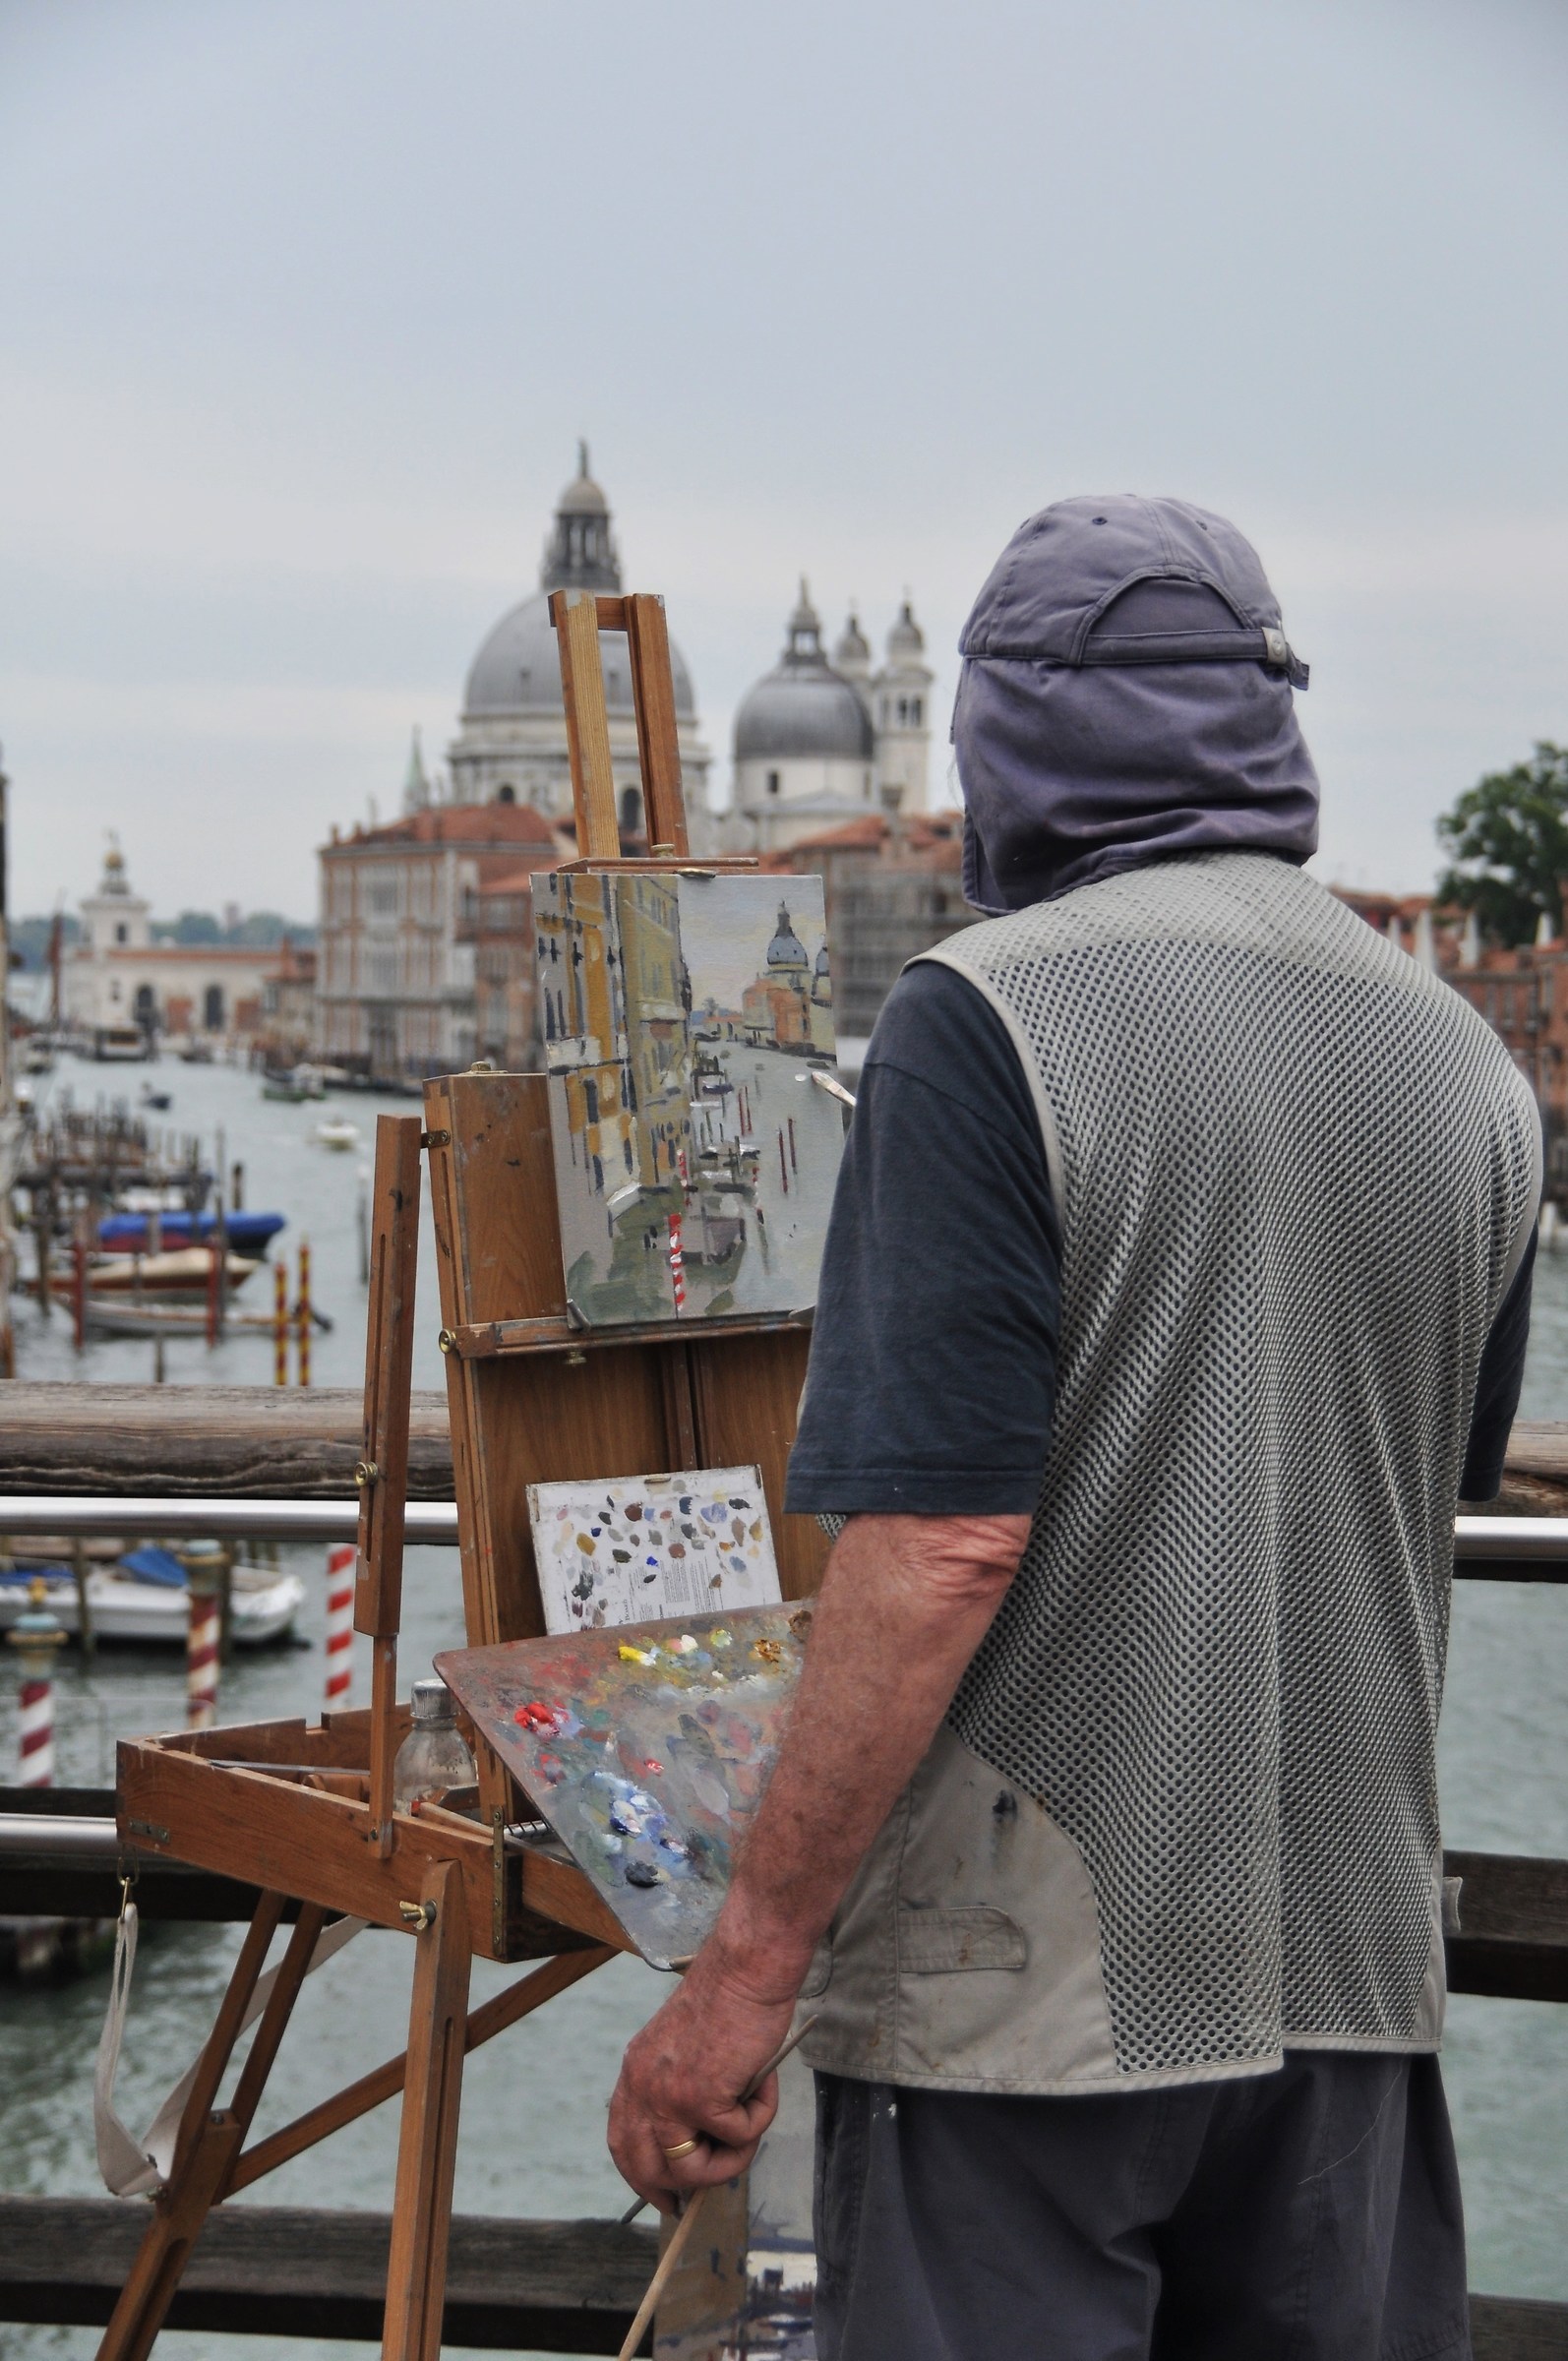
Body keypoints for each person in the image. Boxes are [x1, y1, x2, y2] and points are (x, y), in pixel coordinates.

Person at [608, 495, 1539, 2359]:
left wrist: (742, 1975)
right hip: (1346, 1983)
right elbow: (1402, 1473)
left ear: (1012, 736)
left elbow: (946, 1540)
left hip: (1030, 1998)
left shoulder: (985, 1015)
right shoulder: (1462, 1058)